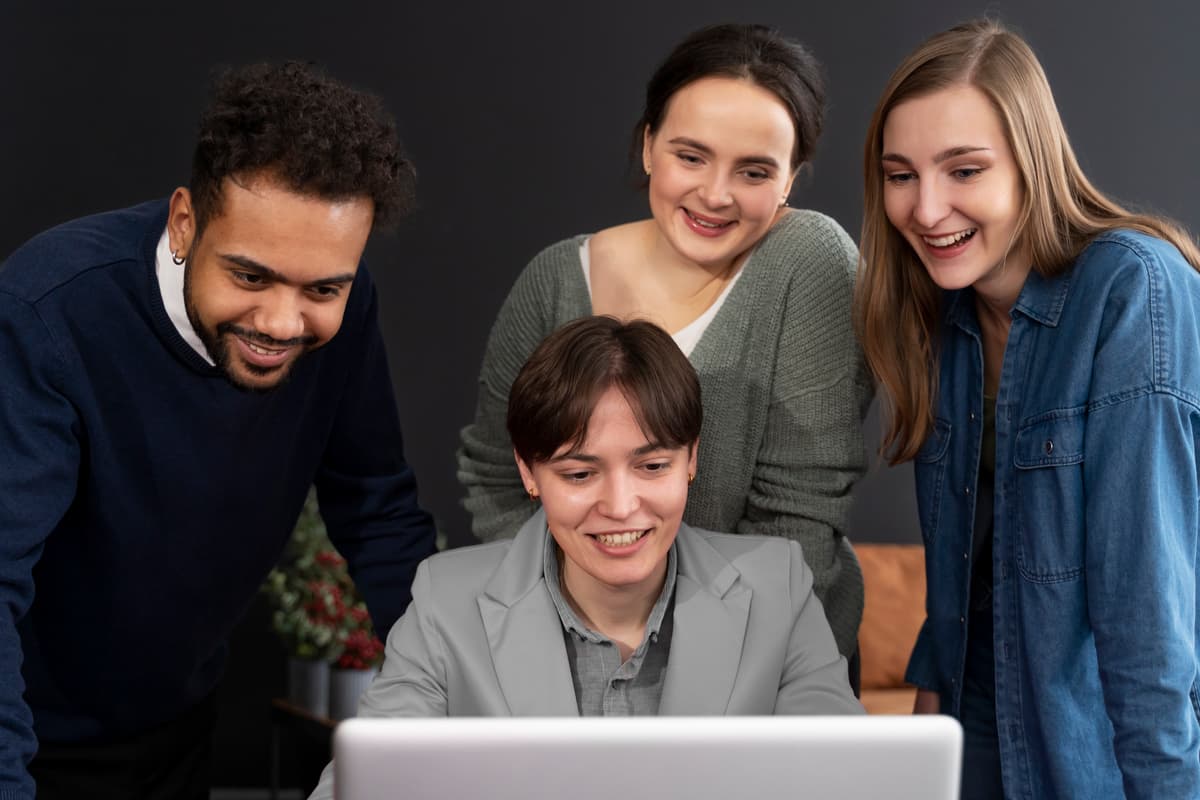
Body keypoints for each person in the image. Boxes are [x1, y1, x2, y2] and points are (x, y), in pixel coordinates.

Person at [0, 62, 438, 799]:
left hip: (180, 726)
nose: (281, 322)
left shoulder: (344, 305)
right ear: (184, 222)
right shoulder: (50, 311)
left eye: (322, 289)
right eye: (250, 276)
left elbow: (377, 507)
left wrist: (458, 702)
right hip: (31, 740)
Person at [854, 18, 1200, 800]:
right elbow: (966, 568)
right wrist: (930, 721)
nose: (926, 208)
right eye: (900, 174)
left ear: (1031, 166)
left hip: (1102, 743)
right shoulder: (945, 316)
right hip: (975, 720)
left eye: (964, 170)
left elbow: (1146, 609)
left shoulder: (1132, 288)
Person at [311, 315, 861, 798]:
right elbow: (362, 785)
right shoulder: (445, 602)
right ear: (529, 472)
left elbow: (848, 782)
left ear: (692, 457)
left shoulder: (777, 587)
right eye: (579, 474)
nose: (621, 507)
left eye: (653, 467)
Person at [458, 23, 871, 665]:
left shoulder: (810, 262)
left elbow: (798, 524)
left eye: (754, 170)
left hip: (762, 661)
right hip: (571, 661)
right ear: (648, 145)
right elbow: (493, 474)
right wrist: (575, 628)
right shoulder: (556, 279)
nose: (715, 194)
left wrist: (686, 669)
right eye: (690, 156)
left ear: (791, 179)